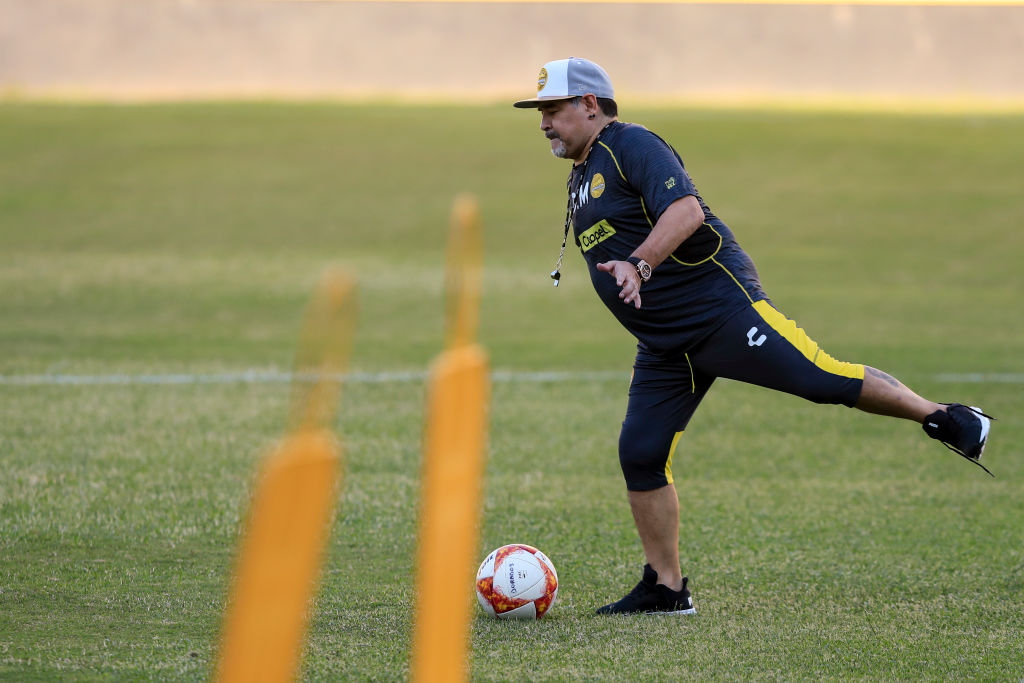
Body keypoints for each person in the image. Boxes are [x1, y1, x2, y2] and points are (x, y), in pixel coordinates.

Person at [513, 57, 994, 615]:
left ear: (590, 105)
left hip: (722, 314)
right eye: (541, 112)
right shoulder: (584, 171)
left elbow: (687, 210)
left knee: (819, 378)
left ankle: (947, 417)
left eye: (553, 109)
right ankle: (666, 589)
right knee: (641, 454)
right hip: (667, 346)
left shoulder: (631, 144)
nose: (544, 122)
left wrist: (638, 265)